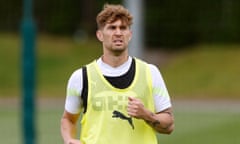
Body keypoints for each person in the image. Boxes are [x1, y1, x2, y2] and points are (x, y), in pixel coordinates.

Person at [61, 4, 174, 144]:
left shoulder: (150, 72)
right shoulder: (81, 77)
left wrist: (146, 115)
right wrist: (69, 140)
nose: (118, 33)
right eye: (112, 28)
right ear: (100, 35)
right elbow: (68, 119)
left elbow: (169, 125)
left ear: (130, 35)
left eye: (123, 28)